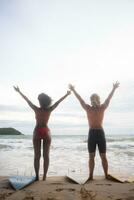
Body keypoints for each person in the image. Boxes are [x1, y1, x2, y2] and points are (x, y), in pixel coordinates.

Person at [14, 86, 71, 181]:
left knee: (37, 156)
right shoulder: (49, 109)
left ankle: (37, 176)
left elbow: (27, 100)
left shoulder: (36, 109)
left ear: (41, 101)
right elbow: (58, 102)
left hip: (37, 131)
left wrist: (19, 91)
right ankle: (44, 176)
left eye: (39, 100)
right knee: (46, 155)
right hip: (46, 131)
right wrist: (67, 94)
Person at [69, 82, 119, 181]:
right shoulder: (88, 108)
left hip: (100, 133)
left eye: (94, 99)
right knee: (91, 156)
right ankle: (91, 176)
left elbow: (109, 98)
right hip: (92, 133)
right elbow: (80, 99)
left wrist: (113, 88)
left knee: (103, 156)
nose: (93, 101)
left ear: (98, 100)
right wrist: (74, 90)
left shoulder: (102, 108)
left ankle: (106, 175)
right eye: (91, 99)